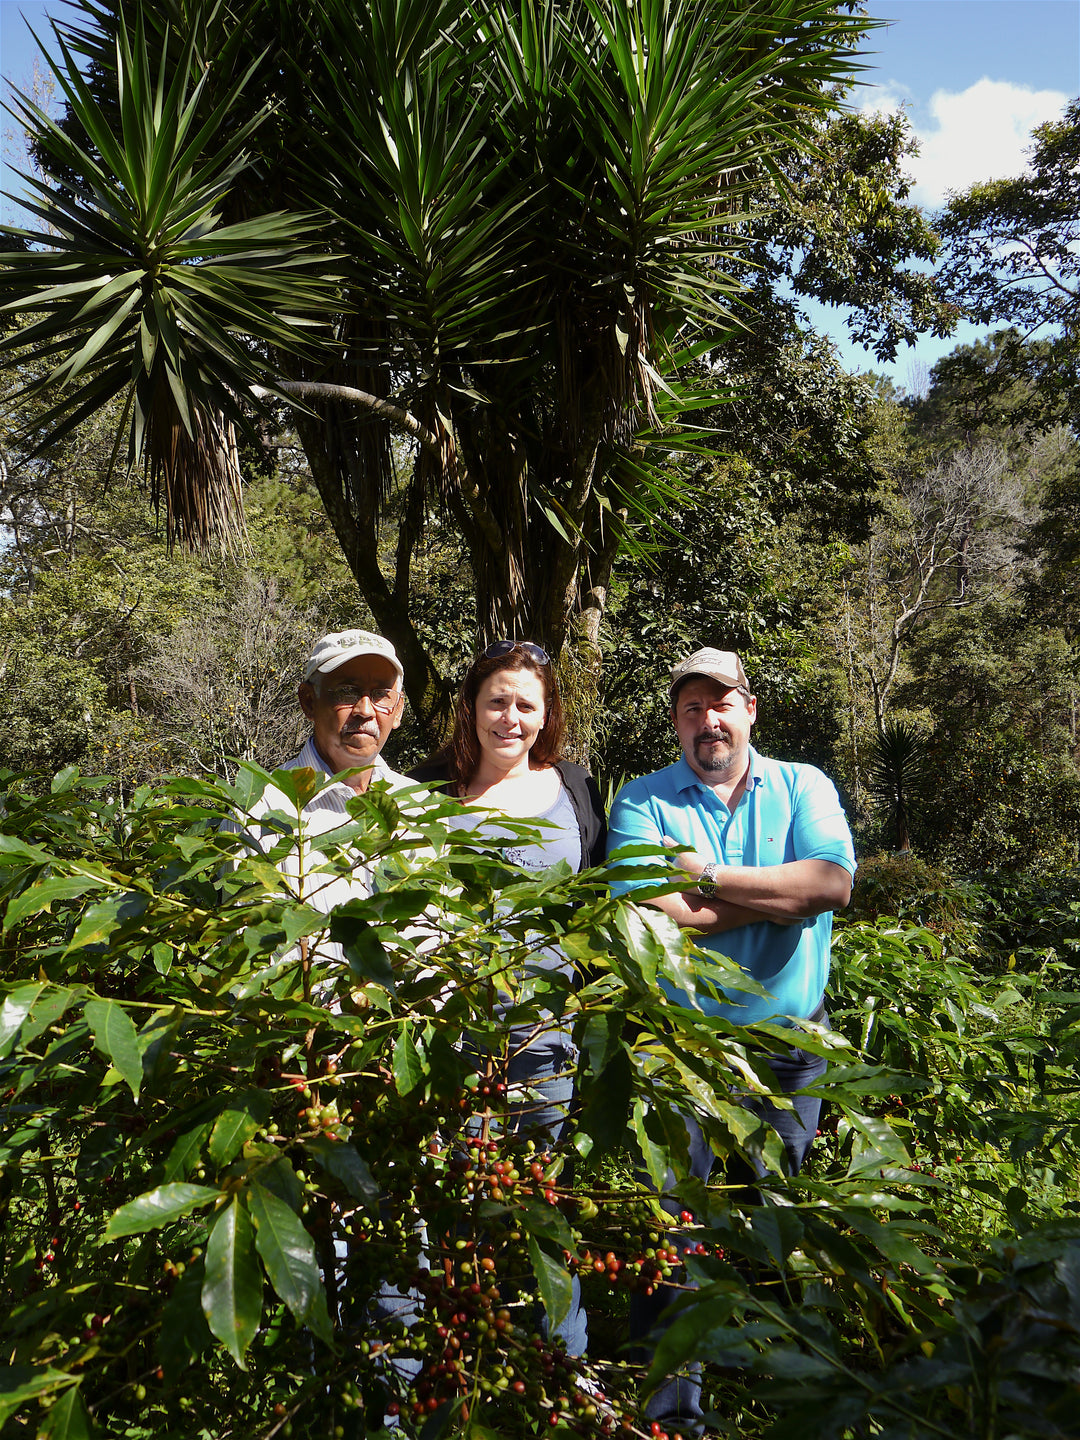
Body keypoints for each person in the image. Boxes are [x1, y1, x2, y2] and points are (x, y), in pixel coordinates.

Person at [606, 646, 856, 1431]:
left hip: (787, 1043)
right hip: (678, 1047)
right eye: (691, 707)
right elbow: (647, 907)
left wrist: (707, 877)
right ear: (676, 722)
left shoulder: (803, 784)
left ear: (750, 709)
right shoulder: (641, 801)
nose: (708, 720)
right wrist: (781, 898)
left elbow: (831, 885)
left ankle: (784, 1393)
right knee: (669, 1218)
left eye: (722, 704)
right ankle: (671, 1407)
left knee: (776, 1214)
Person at [409, 638, 607, 1355]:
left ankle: (562, 1357)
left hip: (544, 1043)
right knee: (455, 1203)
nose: (510, 717)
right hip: (447, 1040)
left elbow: (597, 905)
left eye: (526, 704)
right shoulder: (424, 791)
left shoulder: (577, 788)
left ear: (546, 714)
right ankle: (465, 1358)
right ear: (471, 707)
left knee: (538, 1204)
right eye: (497, 701)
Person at [235, 628, 411, 958]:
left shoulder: (417, 807)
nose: (365, 710)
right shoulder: (261, 807)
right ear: (308, 701)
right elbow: (250, 952)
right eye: (347, 692)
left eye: (381, 695)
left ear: (398, 710)